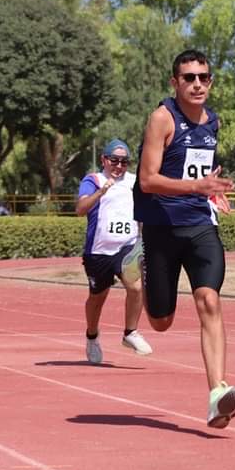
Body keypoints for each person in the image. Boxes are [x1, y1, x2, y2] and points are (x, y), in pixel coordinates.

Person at [134, 49, 235, 429]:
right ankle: (146, 270)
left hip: (200, 226)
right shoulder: (162, 119)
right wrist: (197, 186)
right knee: (161, 322)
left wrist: (211, 192)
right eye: (189, 78)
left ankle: (217, 395)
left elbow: (197, 171)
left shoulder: (212, 121)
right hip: (161, 229)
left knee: (209, 300)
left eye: (204, 77)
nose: (198, 84)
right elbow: (147, 180)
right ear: (175, 82)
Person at [76, 139, 151, 364]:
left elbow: (147, 207)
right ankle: (92, 336)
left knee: (135, 287)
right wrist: (101, 192)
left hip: (127, 246)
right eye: (114, 161)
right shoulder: (93, 180)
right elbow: (80, 209)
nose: (119, 166)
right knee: (97, 297)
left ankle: (130, 332)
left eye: (124, 162)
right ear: (104, 160)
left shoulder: (134, 182)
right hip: (98, 251)